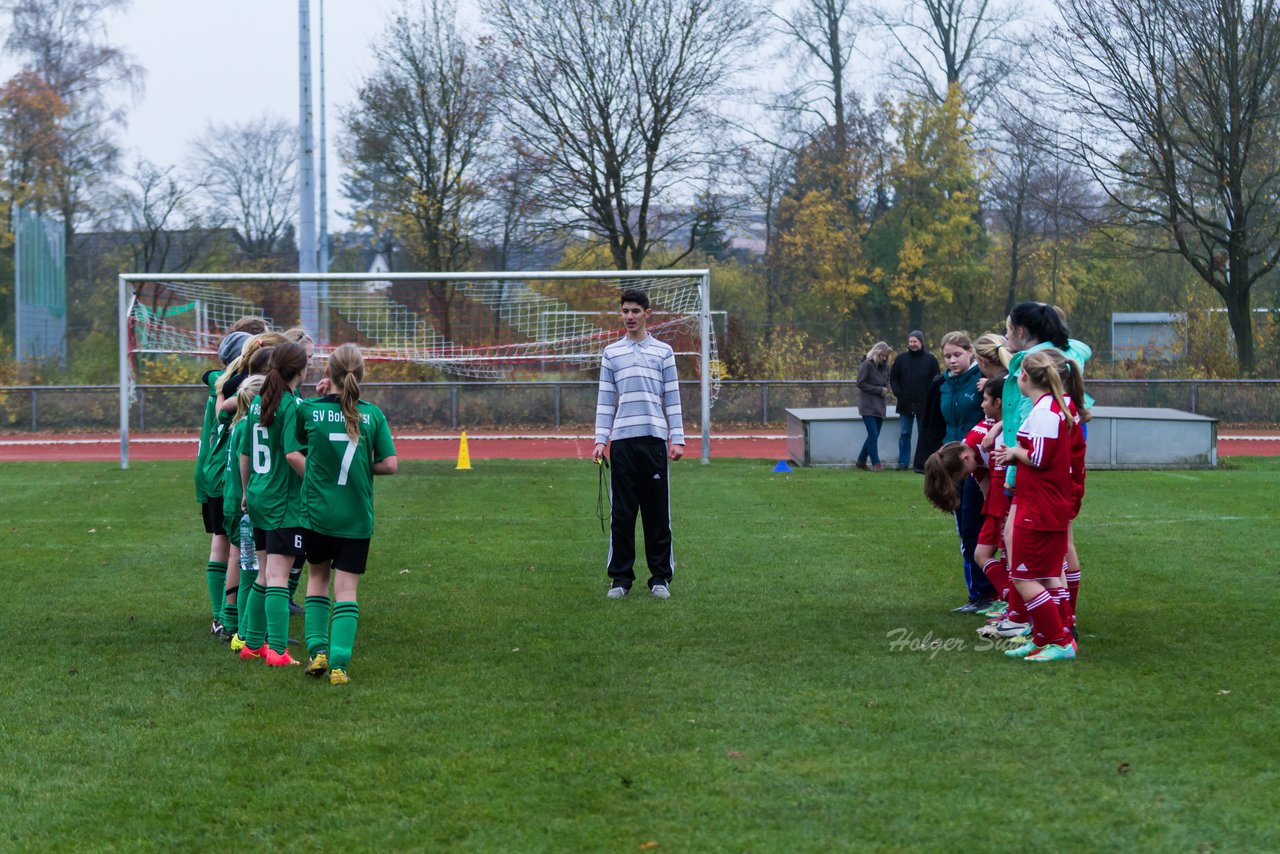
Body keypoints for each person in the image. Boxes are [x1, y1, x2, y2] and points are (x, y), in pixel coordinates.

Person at [287, 343, 397, 686]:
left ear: (326, 375)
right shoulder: (373, 415)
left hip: (317, 514)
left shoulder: (308, 411)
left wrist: (316, 479)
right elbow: (390, 465)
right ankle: (338, 666)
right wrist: (363, 469)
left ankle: (317, 651)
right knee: (346, 590)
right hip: (355, 517)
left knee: (317, 580)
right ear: (361, 375)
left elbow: (293, 452)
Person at [993, 348, 1089, 662]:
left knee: (1023, 577)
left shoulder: (1047, 410)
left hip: (1040, 505)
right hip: (1044, 501)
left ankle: (1059, 640)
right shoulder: (1049, 407)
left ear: (1024, 377)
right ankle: (1046, 637)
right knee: (1047, 574)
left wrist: (1013, 453)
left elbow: (1038, 457)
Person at [593, 288, 685, 600]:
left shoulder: (664, 352)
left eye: (635, 311)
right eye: (625, 311)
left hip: (654, 442)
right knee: (622, 514)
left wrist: (678, 439)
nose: (629, 317)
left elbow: (672, 398)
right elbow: (605, 401)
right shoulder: (611, 353)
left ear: (648, 313)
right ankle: (620, 579)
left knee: (657, 514)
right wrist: (599, 440)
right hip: (622, 444)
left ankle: (660, 578)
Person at [238, 341, 309, 666]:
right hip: (282, 500)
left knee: (265, 574)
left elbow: (246, 455)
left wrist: (245, 490)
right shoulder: (290, 405)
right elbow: (294, 455)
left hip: (259, 494)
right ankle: (279, 652)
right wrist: (317, 484)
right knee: (279, 575)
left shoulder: (258, 402)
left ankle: (253, 644)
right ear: (301, 370)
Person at [195, 328, 251, 637]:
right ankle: (226, 617)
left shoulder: (220, 383)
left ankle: (223, 616)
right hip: (223, 473)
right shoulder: (237, 389)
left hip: (211, 470)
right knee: (229, 546)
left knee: (223, 543)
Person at [937, 331, 993, 613]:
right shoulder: (944, 384)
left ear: (971, 352)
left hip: (980, 463)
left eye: (957, 354)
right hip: (956, 465)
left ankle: (995, 594)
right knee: (966, 530)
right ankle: (979, 594)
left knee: (984, 526)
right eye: (947, 356)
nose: (952, 361)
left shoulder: (984, 381)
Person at [889, 331, 939, 470]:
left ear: (921, 342)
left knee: (923, 433)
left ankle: (924, 462)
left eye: (915, 341)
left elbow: (936, 379)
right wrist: (898, 393)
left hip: (924, 404)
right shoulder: (900, 359)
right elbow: (893, 378)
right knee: (905, 433)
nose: (912, 344)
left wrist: (930, 397)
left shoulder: (931, 360)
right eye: (910, 341)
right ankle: (903, 462)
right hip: (905, 403)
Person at [854, 342, 893, 471]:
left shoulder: (885, 367)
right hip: (868, 405)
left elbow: (887, 381)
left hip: (880, 406)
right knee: (873, 434)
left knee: (873, 435)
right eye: (883, 355)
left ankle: (861, 461)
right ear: (877, 352)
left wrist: (887, 388)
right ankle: (876, 463)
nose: (884, 358)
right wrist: (879, 390)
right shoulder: (867, 365)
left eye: (886, 356)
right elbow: (860, 383)